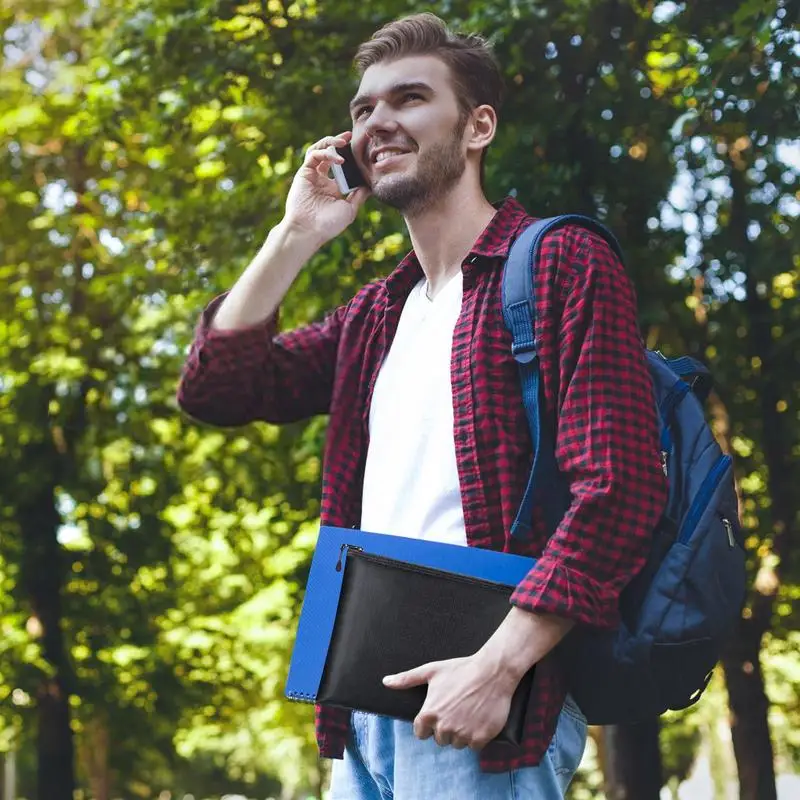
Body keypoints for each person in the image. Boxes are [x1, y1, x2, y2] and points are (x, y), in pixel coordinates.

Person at [177, 12, 667, 800]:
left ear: (478, 127)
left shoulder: (558, 263)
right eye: (362, 110)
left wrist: (497, 667)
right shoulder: (375, 315)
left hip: (485, 707)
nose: (377, 123)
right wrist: (295, 234)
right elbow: (219, 388)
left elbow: (620, 488)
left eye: (408, 99)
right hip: (362, 709)